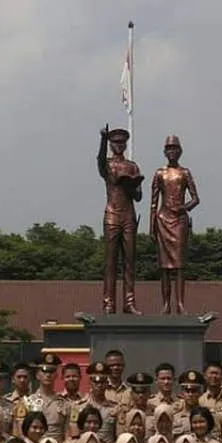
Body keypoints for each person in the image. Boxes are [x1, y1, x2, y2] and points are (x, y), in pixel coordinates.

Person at [150, 134, 200, 313]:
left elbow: (196, 198)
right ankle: (166, 304)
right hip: (163, 220)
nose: (172, 151)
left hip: (179, 221)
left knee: (179, 266)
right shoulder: (159, 173)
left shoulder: (185, 173)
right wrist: (152, 226)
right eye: (169, 148)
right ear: (164, 152)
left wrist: (184, 207)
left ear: (180, 151)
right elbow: (154, 201)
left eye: (175, 148)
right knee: (164, 267)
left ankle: (180, 303)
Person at [97, 125, 144, 314]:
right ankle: (108, 303)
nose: (119, 145)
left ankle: (129, 302)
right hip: (112, 215)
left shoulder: (132, 166)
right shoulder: (108, 165)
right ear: (110, 145)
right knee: (110, 261)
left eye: (122, 142)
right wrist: (102, 139)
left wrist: (131, 186)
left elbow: (139, 196)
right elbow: (99, 162)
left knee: (129, 261)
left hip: (128, 215)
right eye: (115, 142)